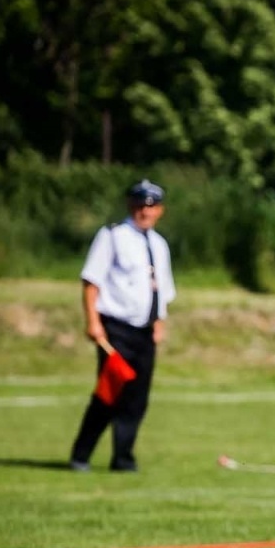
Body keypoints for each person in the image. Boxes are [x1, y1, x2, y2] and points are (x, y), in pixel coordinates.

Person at [68, 179, 175, 473]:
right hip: (116, 328)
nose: (145, 211)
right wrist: (92, 321)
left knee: (137, 399)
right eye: (140, 205)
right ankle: (81, 453)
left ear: (160, 211)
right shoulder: (113, 236)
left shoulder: (159, 244)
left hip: (145, 331)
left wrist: (159, 322)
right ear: (131, 206)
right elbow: (92, 280)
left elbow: (162, 288)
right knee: (109, 394)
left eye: (151, 206)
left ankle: (123, 457)